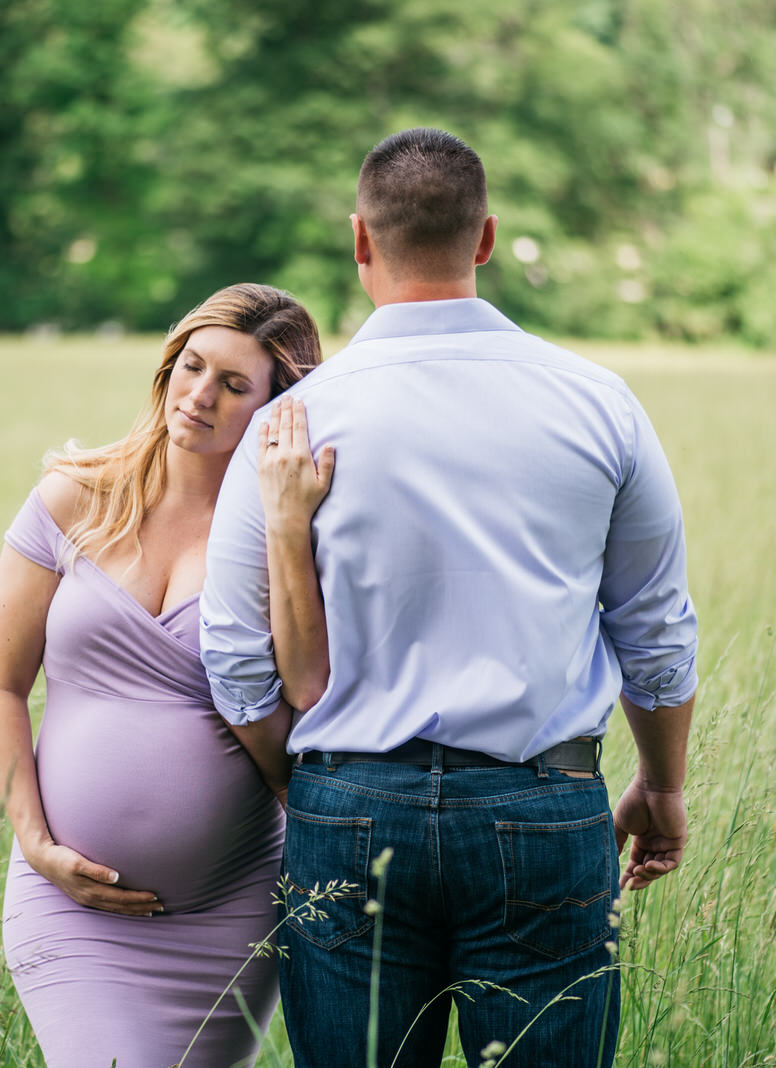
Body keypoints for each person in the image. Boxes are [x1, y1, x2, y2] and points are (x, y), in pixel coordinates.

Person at [200, 129, 699, 1068]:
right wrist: (662, 787)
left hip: (348, 803)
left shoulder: (290, 424)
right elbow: (656, 632)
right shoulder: (601, 404)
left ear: (359, 242)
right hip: (543, 804)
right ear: (486, 238)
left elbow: (234, 659)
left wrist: (307, 788)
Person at [0, 283, 329, 1067]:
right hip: (67, 900)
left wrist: (290, 530)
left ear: (276, 408)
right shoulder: (74, 496)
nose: (199, 396)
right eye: (191, 367)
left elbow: (308, 689)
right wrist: (33, 841)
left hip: (229, 908)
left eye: (234, 385)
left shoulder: (284, 531)